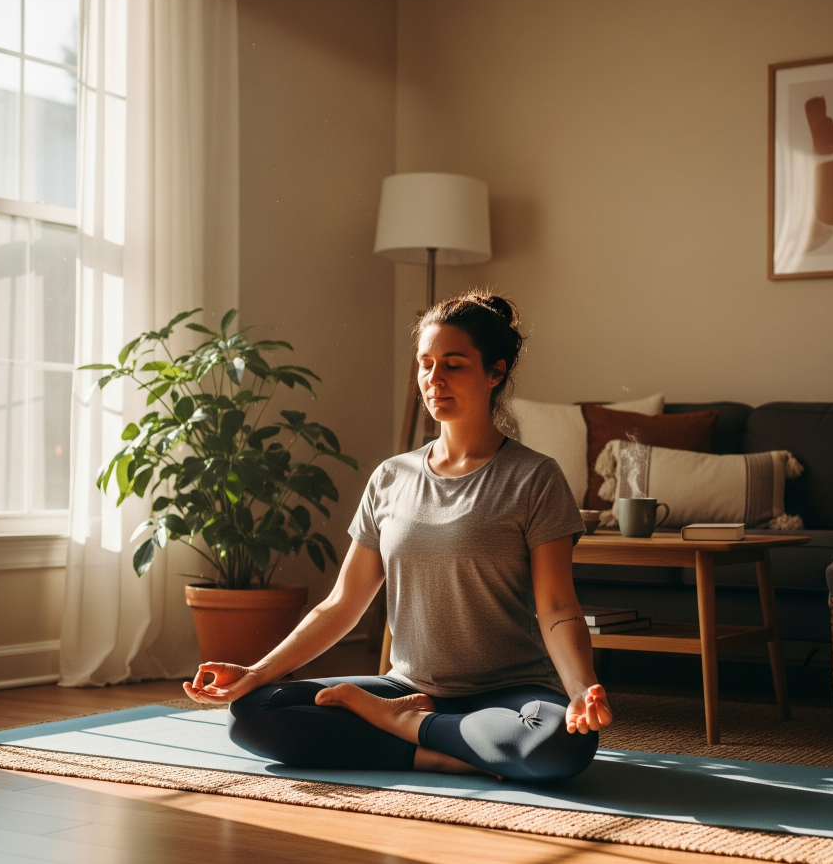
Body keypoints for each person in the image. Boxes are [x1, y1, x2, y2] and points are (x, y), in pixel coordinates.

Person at [184, 290, 613, 782]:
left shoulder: (534, 478)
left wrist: (581, 689)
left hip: (510, 691)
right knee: (257, 712)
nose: (434, 379)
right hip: (408, 684)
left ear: (495, 373)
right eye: (426, 364)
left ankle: (409, 727)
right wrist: (257, 673)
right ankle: (435, 743)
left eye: (453, 365)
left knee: (559, 742)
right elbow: (342, 604)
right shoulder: (391, 477)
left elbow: (557, 606)